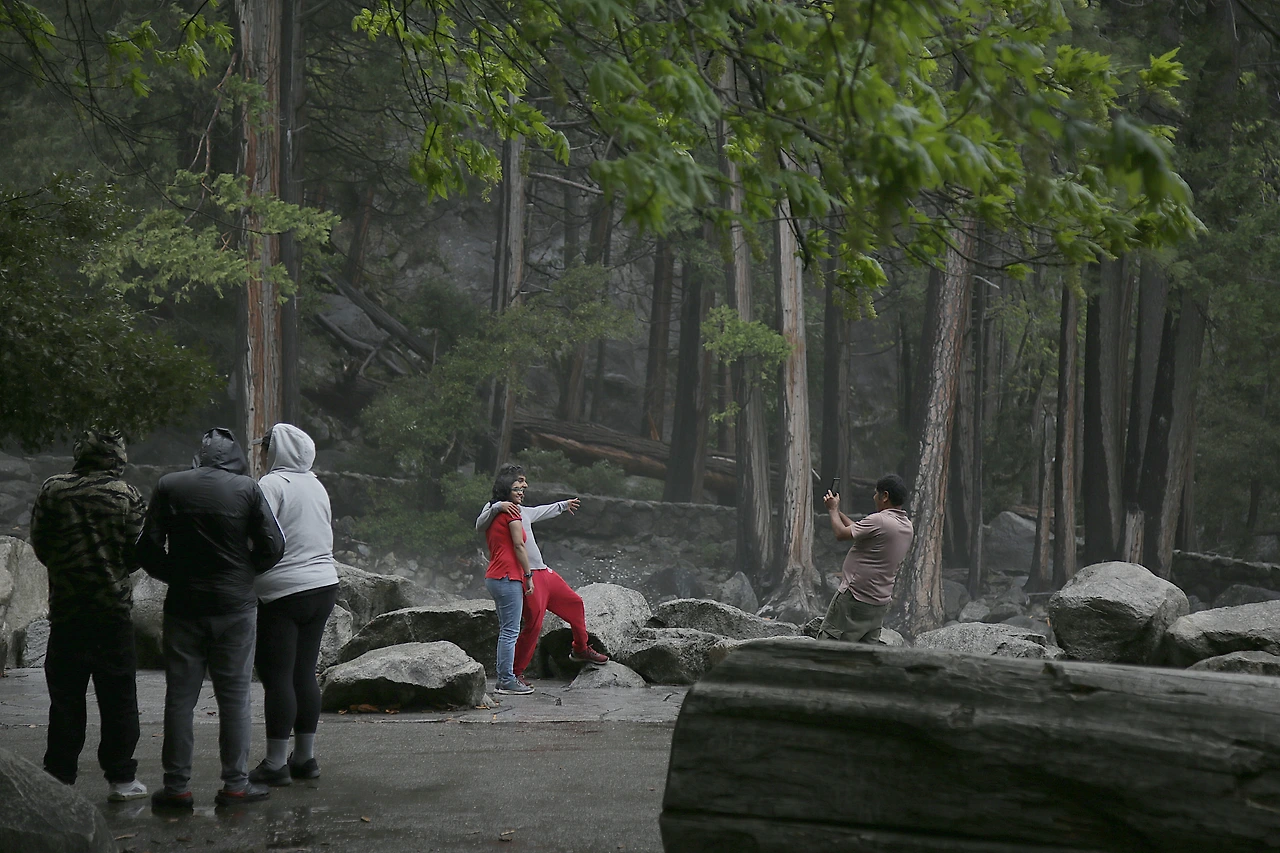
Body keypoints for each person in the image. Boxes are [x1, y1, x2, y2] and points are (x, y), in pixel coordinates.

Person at [136, 428, 285, 808]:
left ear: (200, 455)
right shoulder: (248, 489)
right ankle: (235, 785)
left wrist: (176, 575)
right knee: (235, 699)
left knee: (179, 699)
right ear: (234, 457)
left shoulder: (170, 486)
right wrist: (244, 574)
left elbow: (148, 548)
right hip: (235, 608)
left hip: (185, 605)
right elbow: (274, 545)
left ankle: (176, 788)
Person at [28, 429, 149, 802]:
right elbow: (136, 553)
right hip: (112, 613)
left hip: (67, 614)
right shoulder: (127, 496)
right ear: (118, 456)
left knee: (65, 700)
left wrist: (68, 568)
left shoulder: (53, 490)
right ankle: (122, 778)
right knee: (119, 699)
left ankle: (60, 778)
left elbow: (41, 543)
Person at [247, 424, 339, 786]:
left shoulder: (271, 485)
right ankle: (304, 758)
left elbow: (259, 534)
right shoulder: (316, 485)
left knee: (278, 675)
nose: (262, 454)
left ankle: (274, 764)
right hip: (323, 586)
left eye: (266, 448)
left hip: (283, 592)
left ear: (277, 451)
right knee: (304, 672)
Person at [475, 469, 608, 687]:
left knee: (575, 603)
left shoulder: (522, 511)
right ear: (508, 486)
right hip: (524, 575)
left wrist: (563, 505)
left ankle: (581, 648)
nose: (524, 488)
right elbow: (480, 524)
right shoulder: (495, 509)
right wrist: (498, 506)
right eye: (519, 484)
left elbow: (541, 510)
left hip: (543, 571)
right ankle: (514, 674)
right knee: (533, 625)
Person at [817, 474, 914, 643]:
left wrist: (832, 511)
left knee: (829, 646)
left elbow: (841, 534)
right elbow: (858, 529)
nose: (873, 497)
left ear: (885, 496)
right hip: (879, 604)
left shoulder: (880, 520)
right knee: (864, 656)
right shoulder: (906, 525)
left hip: (854, 597)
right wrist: (838, 512)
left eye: (876, 493)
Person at [483, 465, 536, 695]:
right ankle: (506, 679)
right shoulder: (512, 512)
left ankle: (503, 677)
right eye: (516, 488)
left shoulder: (493, 513)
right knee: (510, 631)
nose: (522, 490)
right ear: (507, 490)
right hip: (508, 576)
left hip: (495, 576)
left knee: (506, 629)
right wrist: (528, 575)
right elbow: (518, 545)